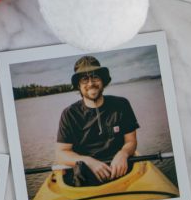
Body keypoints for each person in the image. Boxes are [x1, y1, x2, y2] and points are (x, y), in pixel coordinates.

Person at [55, 56, 139, 186]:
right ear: (78, 85)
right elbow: (62, 153)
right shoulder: (69, 114)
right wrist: (88, 161)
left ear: (103, 80)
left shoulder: (121, 105)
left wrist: (123, 153)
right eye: (84, 79)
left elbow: (131, 141)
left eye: (95, 77)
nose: (90, 83)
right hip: (85, 175)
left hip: (122, 170)